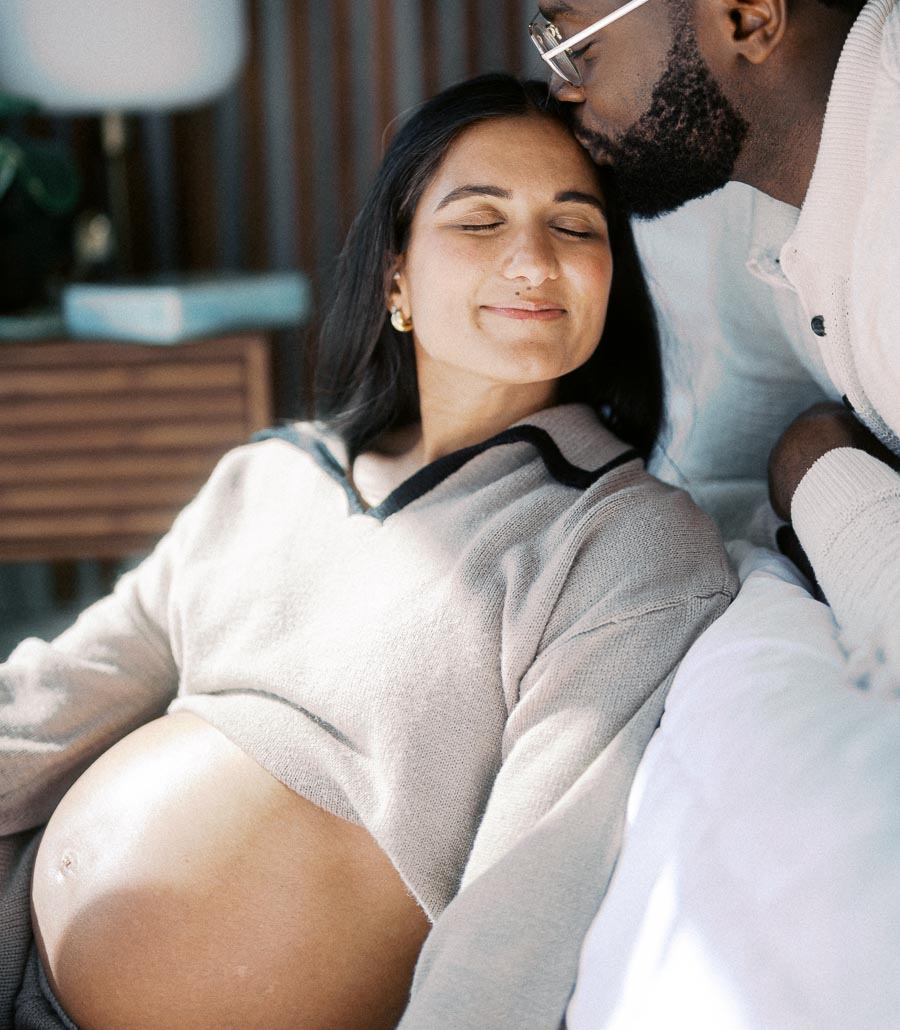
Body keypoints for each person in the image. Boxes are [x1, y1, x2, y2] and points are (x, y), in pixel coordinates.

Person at [0, 73, 735, 1030]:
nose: (531, 260)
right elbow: (58, 699)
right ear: (395, 276)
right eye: (478, 222)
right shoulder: (269, 477)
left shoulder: (620, 539)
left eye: (575, 226)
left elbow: (529, 901)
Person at [530, 0, 900, 681]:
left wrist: (813, 469)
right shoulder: (817, 183)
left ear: (748, 15)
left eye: (577, 44)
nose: (564, 91)